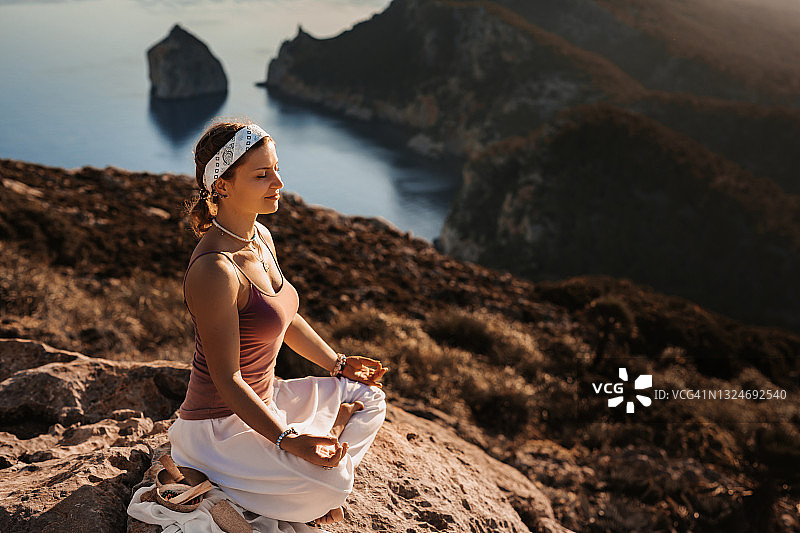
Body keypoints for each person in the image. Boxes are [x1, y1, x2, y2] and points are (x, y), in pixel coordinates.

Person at [167, 119, 389, 526]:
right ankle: (232, 477)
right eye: (261, 174)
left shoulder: (260, 237)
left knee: (369, 394)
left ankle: (282, 481)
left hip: (267, 400)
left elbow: (284, 318)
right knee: (333, 485)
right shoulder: (215, 270)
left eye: (276, 168)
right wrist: (290, 440)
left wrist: (337, 363)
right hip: (216, 428)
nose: (278, 182)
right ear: (222, 186)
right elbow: (227, 378)